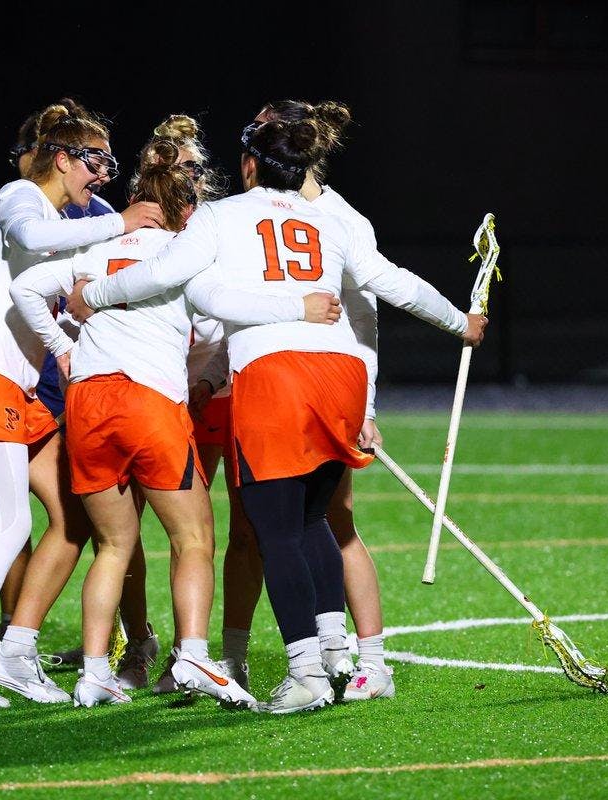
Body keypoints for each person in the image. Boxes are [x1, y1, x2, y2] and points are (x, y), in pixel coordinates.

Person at [68, 113, 487, 713]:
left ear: (249, 164)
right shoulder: (333, 218)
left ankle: (307, 673)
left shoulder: (220, 216)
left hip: (277, 375)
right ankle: (337, 655)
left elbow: (165, 273)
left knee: (277, 528)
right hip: (340, 374)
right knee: (315, 516)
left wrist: (95, 296)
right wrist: (459, 323)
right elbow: (388, 282)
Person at [11, 143, 341, 707]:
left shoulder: (97, 243)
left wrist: (63, 348)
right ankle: (192, 655)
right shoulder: (189, 254)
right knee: (194, 538)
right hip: (149, 402)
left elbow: (24, 289)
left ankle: (95, 673)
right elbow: (218, 328)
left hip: (88, 403)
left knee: (113, 545)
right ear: (186, 212)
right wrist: (287, 316)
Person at [0, 102, 162, 708]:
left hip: (16, 387)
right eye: (95, 161)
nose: (103, 174)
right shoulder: (20, 197)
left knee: (73, 515)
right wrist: (120, 222)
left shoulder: (67, 215)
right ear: (63, 157)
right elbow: (33, 238)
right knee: (9, 524)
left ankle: (15, 652)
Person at [204, 100, 398, 701]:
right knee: (306, 522)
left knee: (319, 523)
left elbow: (365, 312)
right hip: (312, 380)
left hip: (301, 381)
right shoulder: (299, 213)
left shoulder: (337, 217)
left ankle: (354, 660)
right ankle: (329, 655)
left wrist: (366, 405)